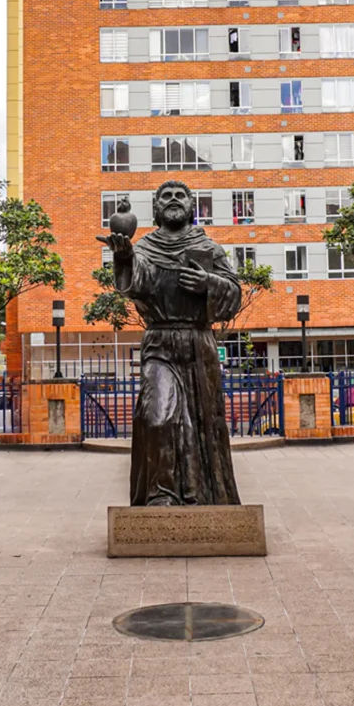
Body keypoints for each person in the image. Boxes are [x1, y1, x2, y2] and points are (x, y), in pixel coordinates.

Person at [98, 180, 242, 506]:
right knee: (157, 417)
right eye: (166, 196)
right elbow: (136, 282)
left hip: (198, 343)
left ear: (192, 205)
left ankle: (197, 494)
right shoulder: (146, 248)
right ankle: (159, 494)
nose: (173, 200)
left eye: (180, 196)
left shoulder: (209, 248)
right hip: (160, 341)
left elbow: (233, 293)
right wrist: (124, 258)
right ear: (156, 206)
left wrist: (209, 283)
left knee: (199, 424)